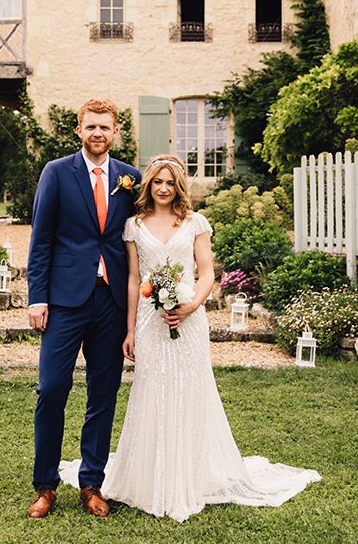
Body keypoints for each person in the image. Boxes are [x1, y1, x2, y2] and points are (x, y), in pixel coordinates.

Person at [59, 154, 321, 522]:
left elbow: (207, 272)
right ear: (148, 185)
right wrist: (131, 329)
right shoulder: (133, 225)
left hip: (188, 317)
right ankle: (150, 479)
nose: (163, 189)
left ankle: (189, 476)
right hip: (150, 321)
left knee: (189, 390)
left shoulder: (195, 222)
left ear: (178, 187)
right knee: (151, 391)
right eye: (157, 182)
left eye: (170, 183)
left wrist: (191, 306)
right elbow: (134, 279)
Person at [26, 98, 141, 519]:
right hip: (63, 301)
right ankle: (45, 486)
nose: (98, 133)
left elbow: (144, 235)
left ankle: (92, 482)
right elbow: (41, 239)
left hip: (110, 301)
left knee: (103, 393)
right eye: (90, 127)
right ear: (79, 130)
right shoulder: (57, 172)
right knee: (51, 389)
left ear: (115, 132)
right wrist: (37, 297)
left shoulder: (130, 177)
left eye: (105, 127)